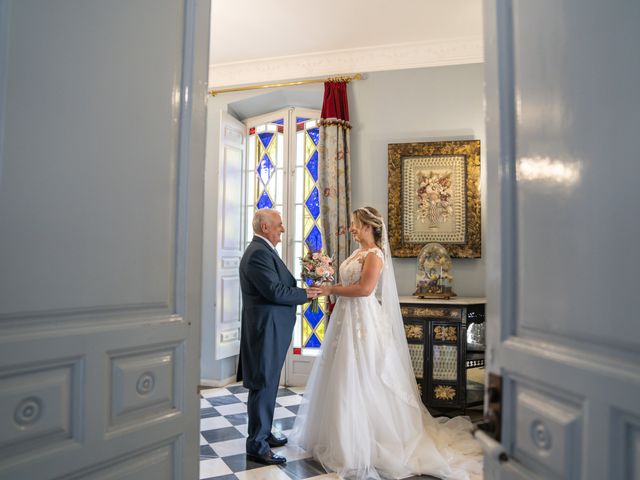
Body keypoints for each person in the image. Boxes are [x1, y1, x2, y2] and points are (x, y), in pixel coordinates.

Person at [290, 207, 482, 480]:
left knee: (363, 374)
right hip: (345, 318)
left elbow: (365, 290)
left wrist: (331, 289)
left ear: (369, 226)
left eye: (356, 224)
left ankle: (364, 442)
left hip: (363, 321)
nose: (352, 229)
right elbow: (349, 284)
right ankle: (338, 436)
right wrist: (326, 280)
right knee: (341, 374)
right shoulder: (357, 253)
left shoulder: (375, 255)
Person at [237, 208, 320, 465]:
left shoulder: (263, 251)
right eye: (279, 225)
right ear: (265, 228)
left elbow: (281, 284)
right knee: (263, 384)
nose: (282, 229)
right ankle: (257, 446)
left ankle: (264, 433)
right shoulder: (258, 254)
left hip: (271, 328)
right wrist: (306, 294)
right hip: (265, 330)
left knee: (269, 382)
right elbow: (274, 291)